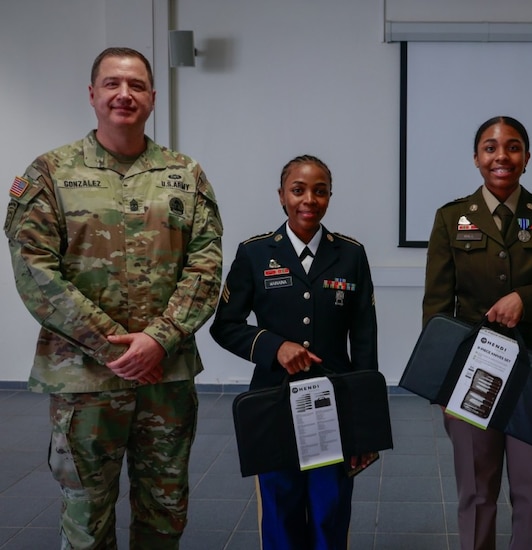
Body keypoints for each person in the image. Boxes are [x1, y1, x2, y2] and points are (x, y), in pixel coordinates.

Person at [4, 47, 223, 548]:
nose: (124, 94)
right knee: (87, 520)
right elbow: (35, 271)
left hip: (165, 379)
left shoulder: (185, 175)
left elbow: (206, 264)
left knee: (164, 515)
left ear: (151, 97)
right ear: (92, 94)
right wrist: (114, 346)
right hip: (84, 381)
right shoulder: (49, 175)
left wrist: (160, 339)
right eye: (111, 84)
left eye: (136, 86)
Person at [423, 115, 532, 549]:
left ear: (527, 158)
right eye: (491, 147)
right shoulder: (451, 218)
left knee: (531, 491)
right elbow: (438, 309)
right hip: (471, 373)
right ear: (477, 158)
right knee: (477, 493)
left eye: (513, 147)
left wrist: (529, 299)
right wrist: (444, 384)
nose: (502, 156)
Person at [210, 154, 378, 548]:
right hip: (272, 403)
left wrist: (365, 423)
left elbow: (365, 338)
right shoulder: (254, 253)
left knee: (329, 511)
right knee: (281, 512)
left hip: (332, 405)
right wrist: (273, 346)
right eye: (298, 190)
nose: (309, 200)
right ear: (282, 196)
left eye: (320, 191)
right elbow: (225, 326)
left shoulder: (351, 255)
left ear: (330, 197)